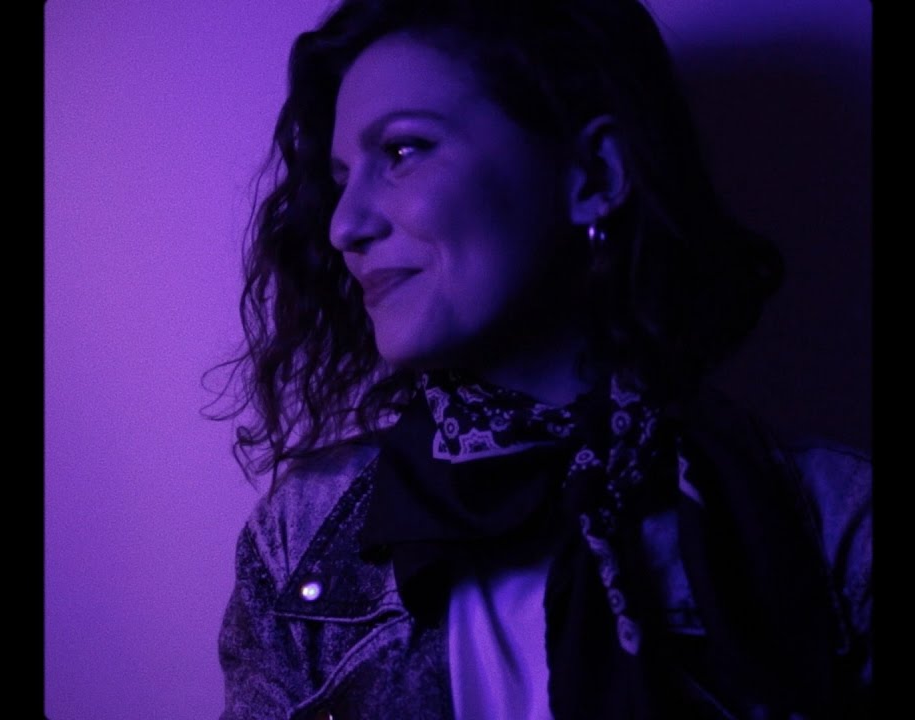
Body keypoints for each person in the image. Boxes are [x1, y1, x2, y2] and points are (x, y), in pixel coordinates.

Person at [215, 0, 871, 718]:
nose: (345, 225)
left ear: (592, 175)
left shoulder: (836, 526)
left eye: (403, 152)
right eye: (343, 179)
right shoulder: (301, 532)